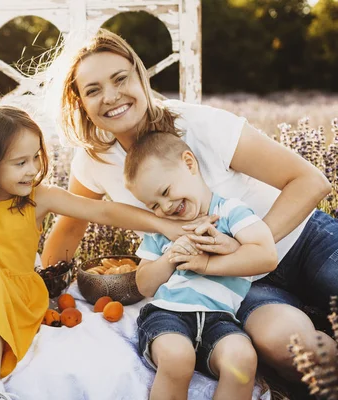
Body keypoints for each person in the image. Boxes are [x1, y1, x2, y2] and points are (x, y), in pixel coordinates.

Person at [41, 28, 337, 382]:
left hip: (303, 241)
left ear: (140, 75)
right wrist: (46, 292)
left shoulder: (198, 124)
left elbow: (310, 181)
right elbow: (71, 226)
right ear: (81, 104)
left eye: (120, 78)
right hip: (236, 286)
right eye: (93, 90)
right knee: (295, 350)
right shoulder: (95, 161)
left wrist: (248, 247)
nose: (111, 96)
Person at [0, 104, 193, 400]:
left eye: (36, 157)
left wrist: (160, 224)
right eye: (20, 162)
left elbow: (103, 210)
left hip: (14, 298)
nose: (34, 170)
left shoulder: (39, 198)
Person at [125, 132, 277, 399]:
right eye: (154, 205)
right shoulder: (164, 230)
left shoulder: (231, 212)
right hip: (168, 313)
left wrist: (207, 262)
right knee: (177, 357)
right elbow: (144, 283)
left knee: (241, 360)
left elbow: (266, 255)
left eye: (165, 192)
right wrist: (169, 257)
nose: (166, 207)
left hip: (219, 318)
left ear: (189, 164)